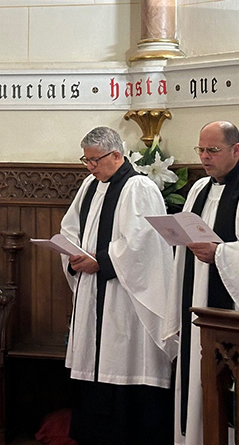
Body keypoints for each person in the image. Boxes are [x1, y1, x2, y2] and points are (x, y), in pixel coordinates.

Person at [166, 121, 239, 445]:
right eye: (201, 150)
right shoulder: (198, 189)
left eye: (213, 150)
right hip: (198, 309)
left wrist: (220, 253)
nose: (205, 157)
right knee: (196, 385)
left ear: (236, 149)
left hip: (231, 315)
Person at [59, 126, 176, 445]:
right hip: (93, 292)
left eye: (95, 160)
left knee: (124, 361)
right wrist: (72, 253)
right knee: (94, 369)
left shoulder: (140, 187)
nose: (90, 167)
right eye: (86, 160)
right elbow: (70, 228)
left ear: (116, 155)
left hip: (125, 298)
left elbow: (145, 242)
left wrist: (103, 260)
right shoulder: (88, 186)